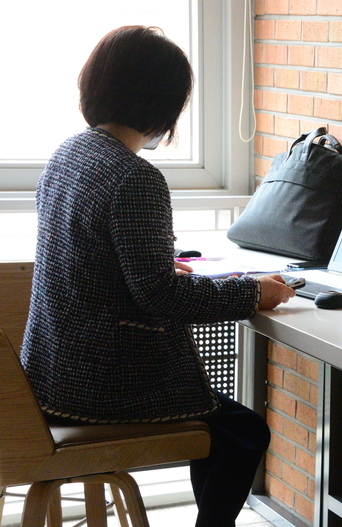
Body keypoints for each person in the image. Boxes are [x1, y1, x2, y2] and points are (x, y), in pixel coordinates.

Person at [20, 26, 295, 527]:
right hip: (102, 389)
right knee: (244, 433)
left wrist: (153, 263)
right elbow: (161, 296)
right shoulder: (135, 176)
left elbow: (93, 257)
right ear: (165, 102)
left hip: (47, 378)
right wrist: (252, 292)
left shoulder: (69, 154)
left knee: (227, 429)